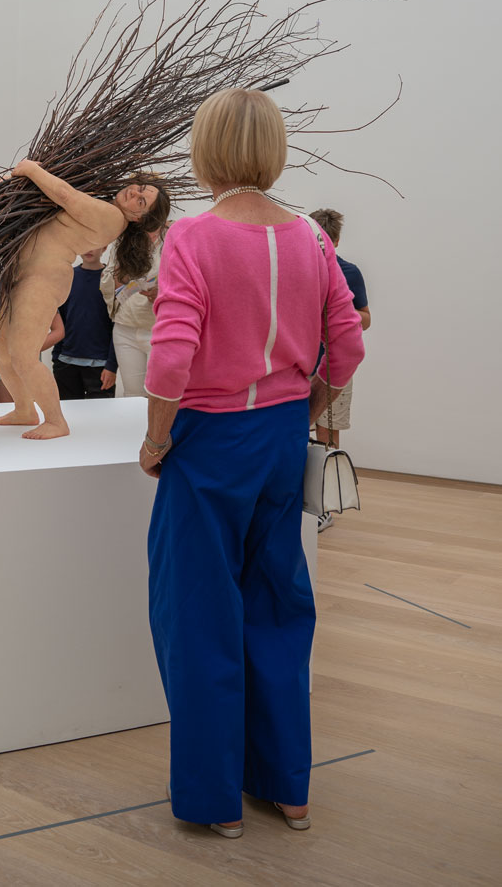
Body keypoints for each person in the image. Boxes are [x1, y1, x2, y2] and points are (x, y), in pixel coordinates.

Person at [139, 88, 365, 838]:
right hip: (278, 440)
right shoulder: (311, 237)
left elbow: (171, 354)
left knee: (199, 615)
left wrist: (155, 439)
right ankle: (287, 788)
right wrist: (302, 408)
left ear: (205, 150)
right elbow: (348, 344)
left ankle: (215, 800)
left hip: (209, 441)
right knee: (277, 606)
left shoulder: (193, 236)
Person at [0, 163, 169, 438]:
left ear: (139, 218)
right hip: (19, 269)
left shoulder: (112, 217)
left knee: (24, 354)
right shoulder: (106, 203)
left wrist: (31, 170)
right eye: (139, 188)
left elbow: (66, 195)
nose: (134, 193)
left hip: (43, 277)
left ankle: (55, 421)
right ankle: (24, 408)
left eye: (141, 201)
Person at [310, 207, 371, 533]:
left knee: (328, 434)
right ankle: (303, 502)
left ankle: (325, 506)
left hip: (335, 368)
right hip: (297, 365)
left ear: (334, 240)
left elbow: (366, 318)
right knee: (296, 434)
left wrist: (339, 311)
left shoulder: (349, 272)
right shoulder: (296, 267)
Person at [99, 208, 169, 397]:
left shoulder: (174, 236)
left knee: (160, 395)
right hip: (125, 327)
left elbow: (189, 279)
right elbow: (109, 279)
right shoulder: (126, 239)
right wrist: (118, 278)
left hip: (159, 328)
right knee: (132, 395)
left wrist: (163, 292)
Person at [52, 247, 118, 400]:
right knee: (69, 413)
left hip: (101, 366)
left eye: (94, 244)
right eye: (85, 244)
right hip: (66, 363)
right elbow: (60, 320)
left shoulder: (111, 279)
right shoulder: (68, 277)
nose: (89, 249)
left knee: (100, 414)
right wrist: (57, 357)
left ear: (104, 247)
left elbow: (117, 325)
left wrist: (112, 365)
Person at [0, 314, 65, 403]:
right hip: (2, 365)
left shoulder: (40, 303)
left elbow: (59, 330)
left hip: (28, 367)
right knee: (7, 408)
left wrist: (28, 349)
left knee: (33, 410)